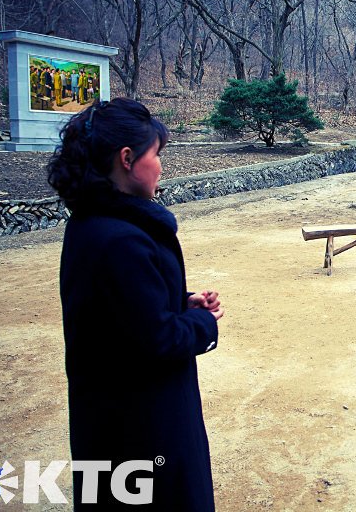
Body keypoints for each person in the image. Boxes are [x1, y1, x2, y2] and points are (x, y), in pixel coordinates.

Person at [47, 98, 222, 510]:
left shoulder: (91, 224)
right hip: (144, 427)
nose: (160, 165)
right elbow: (157, 339)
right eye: (155, 154)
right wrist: (204, 322)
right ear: (127, 159)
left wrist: (179, 299)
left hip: (109, 418)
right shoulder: (122, 239)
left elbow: (117, 311)